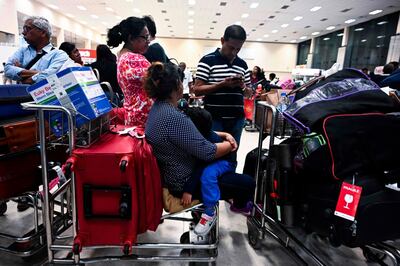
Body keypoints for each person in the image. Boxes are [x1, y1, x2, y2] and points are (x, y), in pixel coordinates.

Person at [145, 62, 255, 235]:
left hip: (176, 174)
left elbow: (191, 135)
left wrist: (222, 134)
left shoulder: (159, 109)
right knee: (247, 183)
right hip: (186, 182)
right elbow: (208, 152)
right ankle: (218, 212)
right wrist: (231, 144)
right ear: (176, 85)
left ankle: (206, 212)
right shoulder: (173, 117)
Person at [194, 25, 251, 149]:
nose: (234, 52)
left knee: (232, 153)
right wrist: (222, 84)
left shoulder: (242, 64)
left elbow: (249, 94)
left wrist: (242, 86)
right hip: (214, 119)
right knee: (212, 153)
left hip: (237, 118)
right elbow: (197, 90)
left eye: (238, 49)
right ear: (222, 41)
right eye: (231, 47)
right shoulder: (207, 60)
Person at [107, 16, 151, 128]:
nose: (148, 41)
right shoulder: (134, 59)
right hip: (145, 120)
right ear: (131, 38)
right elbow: (161, 82)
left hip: (133, 116)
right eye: (145, 37)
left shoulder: (122, 57)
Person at [4, 16, 70, 84]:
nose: (23, 33)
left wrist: (20, 73)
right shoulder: (22, 51)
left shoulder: (59, 55)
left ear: (43, 33)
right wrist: (41, 73)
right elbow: (7, 69)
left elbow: (52, 77)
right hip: (20, 93)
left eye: (27, 29)